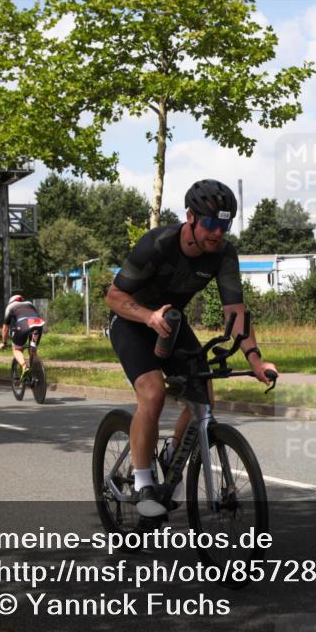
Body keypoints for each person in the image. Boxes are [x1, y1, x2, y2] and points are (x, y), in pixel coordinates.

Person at [105, 179, 278, 517]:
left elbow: (235, 311)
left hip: (172, 323)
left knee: (204, 396)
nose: (217, 232)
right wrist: (148, 316)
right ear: (191, 217)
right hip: (131, 322)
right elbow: (114, 297)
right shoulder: (157, 244)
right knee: (153, 394)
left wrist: (255, 360)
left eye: (224, 225)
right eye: (211, 223)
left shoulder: (224, 253)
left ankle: (172, 456)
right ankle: (143, 485)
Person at [0, 295, 44, 379]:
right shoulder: (29, 304)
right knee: (32, 350)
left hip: (23, 325)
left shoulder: (10, 306)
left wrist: (3, 342)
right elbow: (36, 315)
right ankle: (38, 374)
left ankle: (24, 367)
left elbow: (5, 328)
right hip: (38, 325)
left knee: (17, 349)